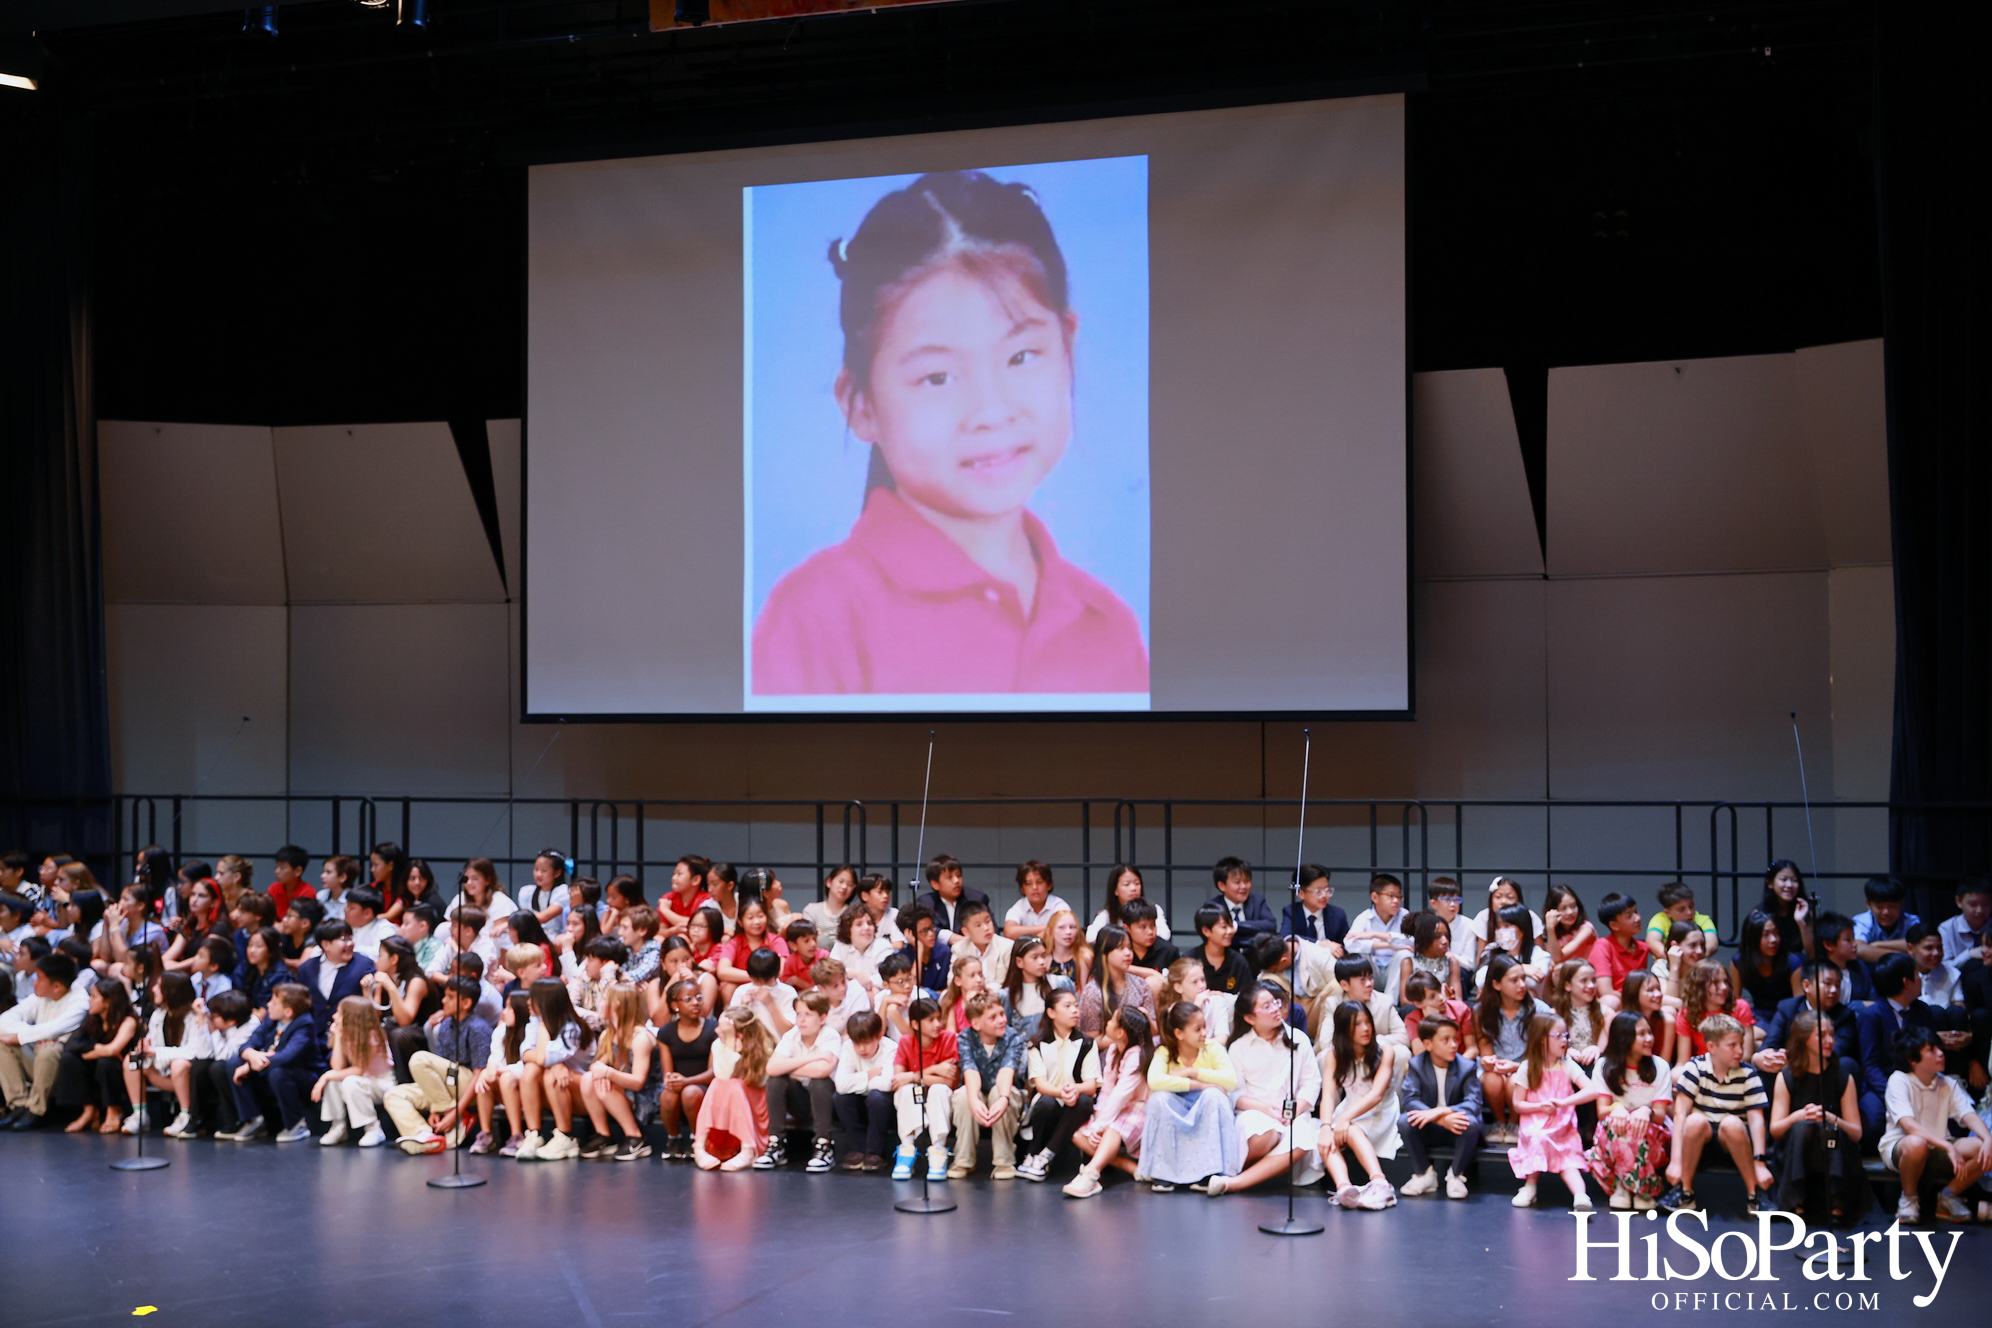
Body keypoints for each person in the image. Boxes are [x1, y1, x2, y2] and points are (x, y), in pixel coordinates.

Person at [751, 168, 1149, 698]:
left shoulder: (1107, 626)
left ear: (1068, 348)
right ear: (859, 404)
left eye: (1021, 356)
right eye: (937, 377)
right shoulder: (819, 617)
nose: (990, 411)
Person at [1202, 982, 1322, 1197]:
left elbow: (1311, 1083)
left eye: (1275, 1002)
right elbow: (1235, 1093)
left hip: (1294, 1115)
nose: (1276, 1009)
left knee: (1303, 1137)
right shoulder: (1239, 1047)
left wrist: (1296, 1110)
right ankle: (1247, 1173)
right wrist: (1265, 1109)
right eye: (1266, 1006)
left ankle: (1234, 1183)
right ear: (1250, 1018)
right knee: (1264, 1134)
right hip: (1255, 1112)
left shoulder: (1299, 1040)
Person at [1659, 1012, 1773, 1216]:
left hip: (1733, 1140)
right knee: (1694, 1120)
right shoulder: (1695, 1068)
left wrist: (1760, 1162)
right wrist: (1675, 1160)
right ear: (1712, 1047)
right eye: (1732, 1045)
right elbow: (1680, 1114)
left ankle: (1754, 1194)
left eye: (1741, 1044)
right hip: (1699, 1138)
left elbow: (1757, 1121)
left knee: (1731, 1123)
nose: (1740, 1051)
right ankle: (1685, 1193)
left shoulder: (1748, 1074)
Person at [1879, 1027, 1989, 1225]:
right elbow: (1909, 1126)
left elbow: (1968, 1114)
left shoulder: (1947, 1083)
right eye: (1932, 1050)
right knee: (1916, 1143)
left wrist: (1988, 1139)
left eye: (1940, 1048)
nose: (1940, 1053)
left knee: (1986, 1148)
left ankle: (1948, 1196)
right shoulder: (1899, 1080)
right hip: (1902, 1148)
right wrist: (1948, 1147)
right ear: (1913, 1059)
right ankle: (1908, 1199)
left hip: (1938, 1146)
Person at [1766, 1008, 1867, 1224]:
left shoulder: (1842, 1076)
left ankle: (1838, 1203)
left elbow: (1857, 1133)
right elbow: (1775, 1130)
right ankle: (1796, 1201)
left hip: (1832, 1148)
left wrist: (1832, 1119)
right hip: (1797, 1147)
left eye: (1832, 1034)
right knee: (1803, 1127)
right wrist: (1799, 1115)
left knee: (1828, 1130)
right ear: (1804, 1039)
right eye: (1821, 1035)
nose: (1829, 1040)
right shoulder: (1787, 1077)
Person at [384, 974, 492, 1155]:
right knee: (394, 1095)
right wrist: (436, 1107)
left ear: (466, 1003)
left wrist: (454, 1111)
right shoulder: (445, 1026)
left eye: (450, 997)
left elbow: (479, 1074)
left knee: (419, 1059)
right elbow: (438, 1070)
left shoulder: (478, 1028)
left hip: (472, 1088)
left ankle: (458, 1116)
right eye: (445, 995)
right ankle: (425, 1136)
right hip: (448, 1089)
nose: (443, 1000)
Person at [1141, 1000, 1240, 1193]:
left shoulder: (1213, 1049)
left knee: (1214, 1095)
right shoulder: (1164, 1052)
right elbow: (1154, 1081)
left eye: (1205, 1027)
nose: (1204, 1033)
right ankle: (1165, 1173)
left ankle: (1209, 1172)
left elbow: (1230, 1080)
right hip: (1177, 1103)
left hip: (1204, 1104)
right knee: (1159, 1099)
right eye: (1198, 1029)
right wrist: (1198, 1084)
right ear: (1179, 1034)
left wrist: (1193, 1071)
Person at [1507, 1013, 1604, 1210]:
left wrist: (1562, 1102)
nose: (1564, 1040)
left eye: (1565, 1035)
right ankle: (1530, 1186)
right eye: (1558, 1035)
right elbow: (1518, 1104)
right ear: (1542, 1040)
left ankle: (1580, 1196)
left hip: (1562, 1123)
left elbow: (1592, 1090)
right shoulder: (1527, 1067)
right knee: (1538, 1137)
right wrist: (1538, 1107)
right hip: (1535, 1121)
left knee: (1568, 1158)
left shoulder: (1567, 1064)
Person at [1317, 1000, 1400, 1209]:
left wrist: (1345, 1118)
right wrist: (1325, 1127)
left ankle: (1380, 1183)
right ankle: (1344, 1188)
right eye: (1357, 1024)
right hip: (1351, 1106)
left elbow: (1376, 1095)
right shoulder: (1334, 1055)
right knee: (1327, 1137)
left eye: (1367, 1022)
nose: (1365, 1029)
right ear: (1345, 1029)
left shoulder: (1385, 1051)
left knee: (1350, 1130)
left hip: (1380, 1111)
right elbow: (1328, 1095)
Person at [1586, 1011, 1673, 1211]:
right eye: (1641, 1034)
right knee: (1617, 1125)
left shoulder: (1660, 1067)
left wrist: (1646, 1111)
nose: (1649, 1039)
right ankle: (1634, 1188)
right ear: (1624, 1037)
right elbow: (1602, 1111)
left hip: (1652, 1134)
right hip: (1617, 1131)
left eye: (1649, 1033)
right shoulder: (1604, 1065)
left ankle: (1626, 1186)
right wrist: (1618, 1108)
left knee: (1636, 1128)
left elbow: (1660, 1115)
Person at [1063, 1005, 1150, 1197]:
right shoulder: (1113, 1050)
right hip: (1117, 1111)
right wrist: (1098, 1122)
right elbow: (1108, 1091)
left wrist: (1102, 1125)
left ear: (1120, 1033)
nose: (1107, 1022)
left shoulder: (1136, 1055)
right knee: (1079, 1134)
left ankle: (1091, 1174)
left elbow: (1121, 1095)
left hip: (1140, 1109)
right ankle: (1132, 1168)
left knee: (1113, 1128)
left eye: (1112, 1021)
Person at [1398, 1014, 1482, 1201]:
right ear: (1428, 1044)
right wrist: (1439, 1118)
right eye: (1446, 1040)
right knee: (1405, 1122)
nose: (1453, 1045)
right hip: (1431, 1126)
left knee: (1472, 1123)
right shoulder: (1417, 1065)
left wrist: (1442, 1111)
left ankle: (1455, 1175)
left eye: (1455, 1039)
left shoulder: (1466, 1067)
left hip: (1456, 1127)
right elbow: (1410, 1099)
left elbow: (1474, 1103)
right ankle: (1425, 1174)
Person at [0, 951, 87, 1130]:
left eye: (39, 978)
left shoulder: (80, 1002)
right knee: (2, 1042)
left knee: (50, 1049)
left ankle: (36, 1109)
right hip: (36, 1057)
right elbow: (6, 1019)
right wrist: (23, 1036)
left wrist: (23, 1037)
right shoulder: (40, 997)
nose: (35, 982)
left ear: (56, 986)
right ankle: (19, 1104)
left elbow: (54, 1028)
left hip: (62, 1068)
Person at [759, 989, 843, 1173]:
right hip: (801, 1102)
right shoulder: (792, 1035)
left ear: (822, 1018)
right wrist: (809, 1059)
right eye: (798, 1014)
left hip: (829, 1104)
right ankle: (776, 1143)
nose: (801, 1020)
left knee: (819, 1082)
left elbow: (822, 1071)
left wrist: (788, 1066)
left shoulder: (831, 1036)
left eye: (808, 1014)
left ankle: (824, 1145)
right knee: (775, 1080)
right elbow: (771, 1068)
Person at [1473, 952, 1553, 1144]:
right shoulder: (1480, 1011)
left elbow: (1541, 1053)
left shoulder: (1539, 1010)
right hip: (1498, 1067)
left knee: (1515, 1081)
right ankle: (1500, 1121)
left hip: (1528, 1066)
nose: (1522, 985)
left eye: (1523, 978)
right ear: (1496, 984)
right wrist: (1488, 1061)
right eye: (1514, 980)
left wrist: (1516, 1067)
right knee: (1492, 1080)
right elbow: (1484, 1045)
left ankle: (1515, 1123)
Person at [224, 983, 317, 1143]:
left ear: (288, 1012)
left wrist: (250, 1065)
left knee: (278, 1072)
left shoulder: (304, 1024)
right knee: (233, 1063)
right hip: (269, 1066)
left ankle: (296, 1125)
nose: (268, 1005)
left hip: (300, 1075)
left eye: (274, 1003)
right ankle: (254, 1119)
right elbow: (250, 1042)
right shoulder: (272, 1019)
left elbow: (286, 1056)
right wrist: (250, 1054)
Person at [515, 977, 596, 1161]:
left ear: (545, 1003)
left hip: (586, 1092)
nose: (528, 1002)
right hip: (559, 1088)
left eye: (533, 998)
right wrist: (555, 1063)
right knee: (531, 1071)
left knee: (550, 1074)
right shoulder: (534, 1021)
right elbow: (525, 1052)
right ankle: (534, 1134)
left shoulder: (572, 1027)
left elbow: (543, 1057)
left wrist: (544, 1024)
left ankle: (566, 1136)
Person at [1016, 986, 1093, 1180]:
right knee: (1046, 1102)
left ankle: (1045, 1155)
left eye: (1076, 1006)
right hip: (1050, 1099)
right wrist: (1062, 1093)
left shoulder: (1087, 1043)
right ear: (1051, 1012)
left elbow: (1091, 1084)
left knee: (1084, 1102)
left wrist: (1075, 1089)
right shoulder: (1037, 1043)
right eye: (1067, 1006)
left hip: (1075, 1101)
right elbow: (1040, 1085)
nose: (1075, 1010)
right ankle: (1032, 1153)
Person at [577, 983, 659, 1161]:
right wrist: (602, 1072)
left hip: (645, 1096)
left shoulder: (641, 1038)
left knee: (602, 1083)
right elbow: (596, 1066)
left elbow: (638, 1082)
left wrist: (608, 1073)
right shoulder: (608, 1034)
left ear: (617, 1005)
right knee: (588, 1079)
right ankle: (604, 1135)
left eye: (605, 1000)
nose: (601, 1003)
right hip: (623, 1089)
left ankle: (636, 1137)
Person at [951, 992, 1026, 1178]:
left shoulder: (1012, 1037)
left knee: (997, 1094)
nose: (1001, 1020)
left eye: (1001, 1014)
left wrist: (1003, 1098)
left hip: (1004, 1089)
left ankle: (1004, 1162)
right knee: (963, 1096)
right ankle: (963, 1160)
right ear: (976, 1024)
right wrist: (973, 1100)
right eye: (993, 1017)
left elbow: (1006, 1071)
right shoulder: (965, 1037)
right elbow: (970, 1070)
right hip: (977, 1088)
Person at [54, 976, 139, 1134]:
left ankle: (114, 1110)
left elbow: (112, 1050)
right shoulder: (93, 1018)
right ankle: (89, 1110)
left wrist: (91, 1053)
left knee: (106, 1061)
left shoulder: (129, 1021)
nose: (89, 1001)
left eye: (94, 997)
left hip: (123, 1071)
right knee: (69, 1059)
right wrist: (96, 1047)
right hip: (98, 1065)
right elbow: (71, 1045)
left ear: (108, 1001)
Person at [695, 1007, 773, 1171]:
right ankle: (699, 1147)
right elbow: (723, 1074)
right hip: (727, 1099)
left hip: (753, 1098)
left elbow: (759, 1081)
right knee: (718, 1083)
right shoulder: (719, 1044)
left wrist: (732, 1042)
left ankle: (748, 1149)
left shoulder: (763, 1045)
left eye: (723, 1028)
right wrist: (729, 1043)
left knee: (736, 1085)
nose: (716, 1030)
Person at [890, 996, 959, 1181]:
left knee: (937, 1089)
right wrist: (933, 1070)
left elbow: (948, 1082)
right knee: (907, 1090)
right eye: (931, 1020)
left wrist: (913, 1075)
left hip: (939, 1095)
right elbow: (898, 1080)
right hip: (918, 1093)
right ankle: (907, 1150)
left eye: (939, 1018)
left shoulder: (948, 1038)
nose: (937, 1024)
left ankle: (938, 1151)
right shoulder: (905, 1042)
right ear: (915, 1024)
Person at [312, 994, 394, 1148]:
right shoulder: (347, 1034)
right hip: (364, 1080)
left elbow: (359, 1069)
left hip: (383, 1082)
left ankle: (373, 1128)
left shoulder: (372, 1035)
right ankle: (338, 1126)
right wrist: (337, 1036)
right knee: (335, 1081)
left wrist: (325, 1076)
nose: (334, 1016)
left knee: (349, 1081)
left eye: (339, 1013)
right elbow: (337, 1067)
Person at [654, 979, 717, 1161]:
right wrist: (674, 1080)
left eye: (698, 997)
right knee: (667, 1095)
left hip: (705, 1085)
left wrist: (687, 1081)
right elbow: (668, 1073)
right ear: (675, 1005)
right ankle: (673, 1139)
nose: (696, 1002)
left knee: (690, 1093)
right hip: (680, 1084)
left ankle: (698, 1140)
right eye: (688, 999)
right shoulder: (666, 1033)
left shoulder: (713, 1028)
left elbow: (714, 1072)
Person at [832, 1010, 898, 1173]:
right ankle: (857, 1149)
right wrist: (868, 1075)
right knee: (841, 1098)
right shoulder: (847, 1047)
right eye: (857, 1043)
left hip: (884, 1107)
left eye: (867, 1042)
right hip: (859, 1102)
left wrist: (855, 1080)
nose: (861, 1048)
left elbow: (886, 1084)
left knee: (877, 1098)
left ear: (879, 1035)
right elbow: (840, 1084)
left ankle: (874, 1153)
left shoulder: (891, 1048)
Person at [1076, 926, 1156, 1037]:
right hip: (1108, 1051)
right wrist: (1126, 1038)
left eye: (1129, 947)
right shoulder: (1093, 991)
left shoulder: (1141, 985)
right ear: (1105, 952)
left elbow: (1154, 1031)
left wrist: (1146, 1015)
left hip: (1140, 1049)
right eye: (1120, 948)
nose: (1128, 953)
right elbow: (1092, 1039)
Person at [1730, 908, 1799, 1015]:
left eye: (1776, 933)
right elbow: (1735, 1001)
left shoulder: (1792, 962)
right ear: (1753, 938)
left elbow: (1799, 1005)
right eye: (1766, 935)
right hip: (1758, 1015)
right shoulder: (1739, 961)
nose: (1773, 940)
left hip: (1787, 1016)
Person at [999, 936, 1073, 1033]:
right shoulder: (1007, 995)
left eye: (1044, 956)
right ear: (1019, 962)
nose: (1042, 962)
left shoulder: (1060, 983)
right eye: (1035, 957)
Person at [1395, 911, 1462, 1005]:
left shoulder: (1452, 962)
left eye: (1446, 936)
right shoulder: (1409, 962)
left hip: (1444, 1010)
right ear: (1424, 938)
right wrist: (1430, 1007)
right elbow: (1405, 1001)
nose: (1445, 941)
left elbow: (1458, 999)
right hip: (1418, 1011)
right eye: (1437, 936)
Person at [913, 855, 985, 943]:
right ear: (935, 884)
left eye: (958, 876)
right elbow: (921, 929)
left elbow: (989, 929)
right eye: (949, 877)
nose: (956, 881)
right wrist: (951, 938)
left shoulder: (976, 899)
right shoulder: (925, 903)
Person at [1089, 864, 1169, 944]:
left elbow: (1164, 935)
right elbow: (1090, 937)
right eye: (1126, 884)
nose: (1133, 888)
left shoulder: (1154, 909)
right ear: (1115, 890)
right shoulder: (1107, 914)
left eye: (1137, 883)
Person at [1586, 892, 1647, 995]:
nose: (1638, 918)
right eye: (1629, 916)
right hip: (1615, 1003)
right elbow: (1605, 992)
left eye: (1636, 912)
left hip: (1640, 1001)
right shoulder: (1603, 946)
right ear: (1614, 925)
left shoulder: (1643, 948)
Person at [1644, 881, 1719, 965]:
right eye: (1681, 910)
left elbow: (1712, 944)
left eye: (1691, 906)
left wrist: (1693, 959)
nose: (1689, 912)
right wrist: (1676, 960)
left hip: (1697, 965)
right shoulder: (1659, 919)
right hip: (1667, 965)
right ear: (1668, 913)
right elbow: (1652, 942)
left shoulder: (1703, 919)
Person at [1207, 856, 1276, 945]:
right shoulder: (1213, 906)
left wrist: (1234, 926)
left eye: (1247, 881)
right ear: (1222, 886)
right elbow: (1216, 939)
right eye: (1237, 882)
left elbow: (1270, 926)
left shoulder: (1257, 901)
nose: (1243, 887)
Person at [1851, 875, 1919, 964]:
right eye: (1879, 907)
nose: (1886, 912)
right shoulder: (1861, 921)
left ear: (1902, 904)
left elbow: (1918, 946)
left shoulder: (1911, 921)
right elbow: (1859, 949)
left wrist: (1877, 945)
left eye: (1892, 906)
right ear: (1869, 904)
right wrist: (1904, 956)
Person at [830, 902, 895, 995]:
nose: (866, 927)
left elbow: (889, 976)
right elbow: (831, 973)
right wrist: (854, 974)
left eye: (869, 923)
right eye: (859, 924)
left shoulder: (883, 945)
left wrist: (864, 981)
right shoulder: (840, 945)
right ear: (848, 930)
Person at [1280, 863, 1348, 951]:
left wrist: (1339, 950)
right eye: (1318, 892)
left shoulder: (1338, 914)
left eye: (1327, 890)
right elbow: (1287, 937)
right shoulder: (1291, 911)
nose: (1324, 895)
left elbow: (1346, 945)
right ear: (1301, 893)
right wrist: (1320, 944)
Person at [1190, 902, 1251, 997]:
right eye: (1224, 927)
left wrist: (1225, 998)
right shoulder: (1190, 959)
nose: (1230, 931)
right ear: (1206, 931)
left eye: (1231, 925)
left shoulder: (1238, 962)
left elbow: (1247, 998)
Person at [1759, 859, 1814, 963]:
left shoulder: (1805, 911)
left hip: (1798, 967)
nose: (1789, 885)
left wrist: (1801, 922)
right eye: (1783, 879)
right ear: (1770, 883)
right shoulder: (1759, 914)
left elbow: (1812, 955)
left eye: (1794, 880)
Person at [1003, 859, 1071, 942]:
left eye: (1039, 882)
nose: (1034, 887)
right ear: (1022, 889)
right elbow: (1009, 932)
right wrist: (1048, 928)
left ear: (1049, 885)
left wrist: (1028, 934)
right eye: (1028, 884)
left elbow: (1064, 930)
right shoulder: (1019, 906)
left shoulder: (1059, 905)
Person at [952, 900, 1014, 990]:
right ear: (966, 932)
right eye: (978, 925)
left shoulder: (1008, 946)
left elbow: (1011, 983)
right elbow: (952, 981)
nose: (986, 928)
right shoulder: (959, 949)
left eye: (988, 921)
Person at [1543, 884, 1597, 967]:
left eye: (1573, 906)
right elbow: (1550, 958)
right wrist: (1550, 929)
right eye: (1563, 908)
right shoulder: (1554, 932)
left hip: (1587, 974)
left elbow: (1558, 959)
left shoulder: (1586, 929)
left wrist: (1550, 928)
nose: (1570, 912)